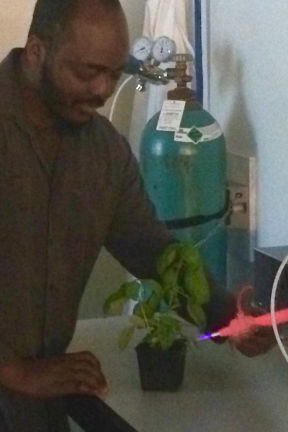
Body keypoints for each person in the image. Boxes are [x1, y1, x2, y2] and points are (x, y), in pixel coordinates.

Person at [0, 0, 274, 430]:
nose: (102, 91)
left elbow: (154, 252)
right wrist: (10, 371)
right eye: (88, 72)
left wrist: (227, 316)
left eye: (113, 73)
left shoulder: (104, 154)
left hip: (39, 407)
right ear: (37, 50)